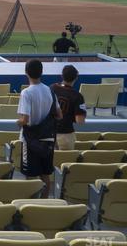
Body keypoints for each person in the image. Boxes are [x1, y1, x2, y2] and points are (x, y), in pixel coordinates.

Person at [17, 59, 63, 198]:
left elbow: (25, 120)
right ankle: (44, 202)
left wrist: (18, 122)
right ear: (41, 72)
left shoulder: (26, 93)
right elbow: (59, 115)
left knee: (29, 175)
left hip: (31, 140)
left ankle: (30, 204)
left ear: (26, 72)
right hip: (48, 139)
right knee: (45, 175)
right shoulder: (50, 91)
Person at [51, 65, 86, 150]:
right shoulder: (77, 96)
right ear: (75, 78)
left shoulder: (51, 88)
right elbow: (80, 121)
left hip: (49, 133)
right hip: (66, 135)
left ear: (62, 76)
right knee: (65, 161)